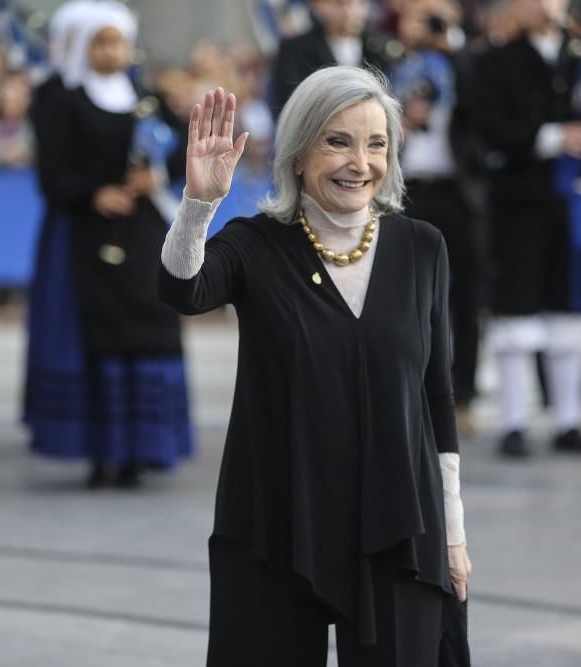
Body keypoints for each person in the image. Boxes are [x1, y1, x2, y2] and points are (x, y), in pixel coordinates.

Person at [159, 67, 471, 666]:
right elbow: (183, 290)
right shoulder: (255, 245)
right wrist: (199, 204)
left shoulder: (422, 247)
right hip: (277, 517)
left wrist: (453, 533)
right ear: (298, 154)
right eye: (338, 141)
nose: (361, 162)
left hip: (399, 519)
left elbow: (436, 397)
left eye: (376, 143)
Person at [25, 3, 192, 488]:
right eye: (101, 42)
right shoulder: (62, 100)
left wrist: (152, 176)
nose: (112, 52)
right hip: (85, 238)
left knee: (148, 327)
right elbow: (51, 173)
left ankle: (144, 446)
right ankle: (102, 450)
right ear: (80, 46)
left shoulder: (144, 96)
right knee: (95, 337)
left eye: (118, 41)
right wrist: (93, 192)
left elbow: (182, 150)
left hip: (140, 236)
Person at [477, 0, 581, 457]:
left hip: (573, 204)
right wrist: (552, 137)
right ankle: (514, 422)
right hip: (520, 202)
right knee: (517, 311)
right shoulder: (497, 60)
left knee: (570, 309)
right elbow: (488, 128)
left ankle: (568, 421)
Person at [391, 0, 484, 436]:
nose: (425, 26)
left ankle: (462, 395)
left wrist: (451, 42)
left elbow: (480, 100)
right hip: (406, 190)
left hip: (455, 189)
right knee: (408, 296)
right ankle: (411, 392)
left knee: (463, 297)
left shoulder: (464, 64)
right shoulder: (390, 64)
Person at [270, 0, 391, 115]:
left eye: (358, 3)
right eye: (340, 4)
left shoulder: (380, 47)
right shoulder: (295, 49)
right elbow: (288, 101)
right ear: (318, 5)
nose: (349, 11)